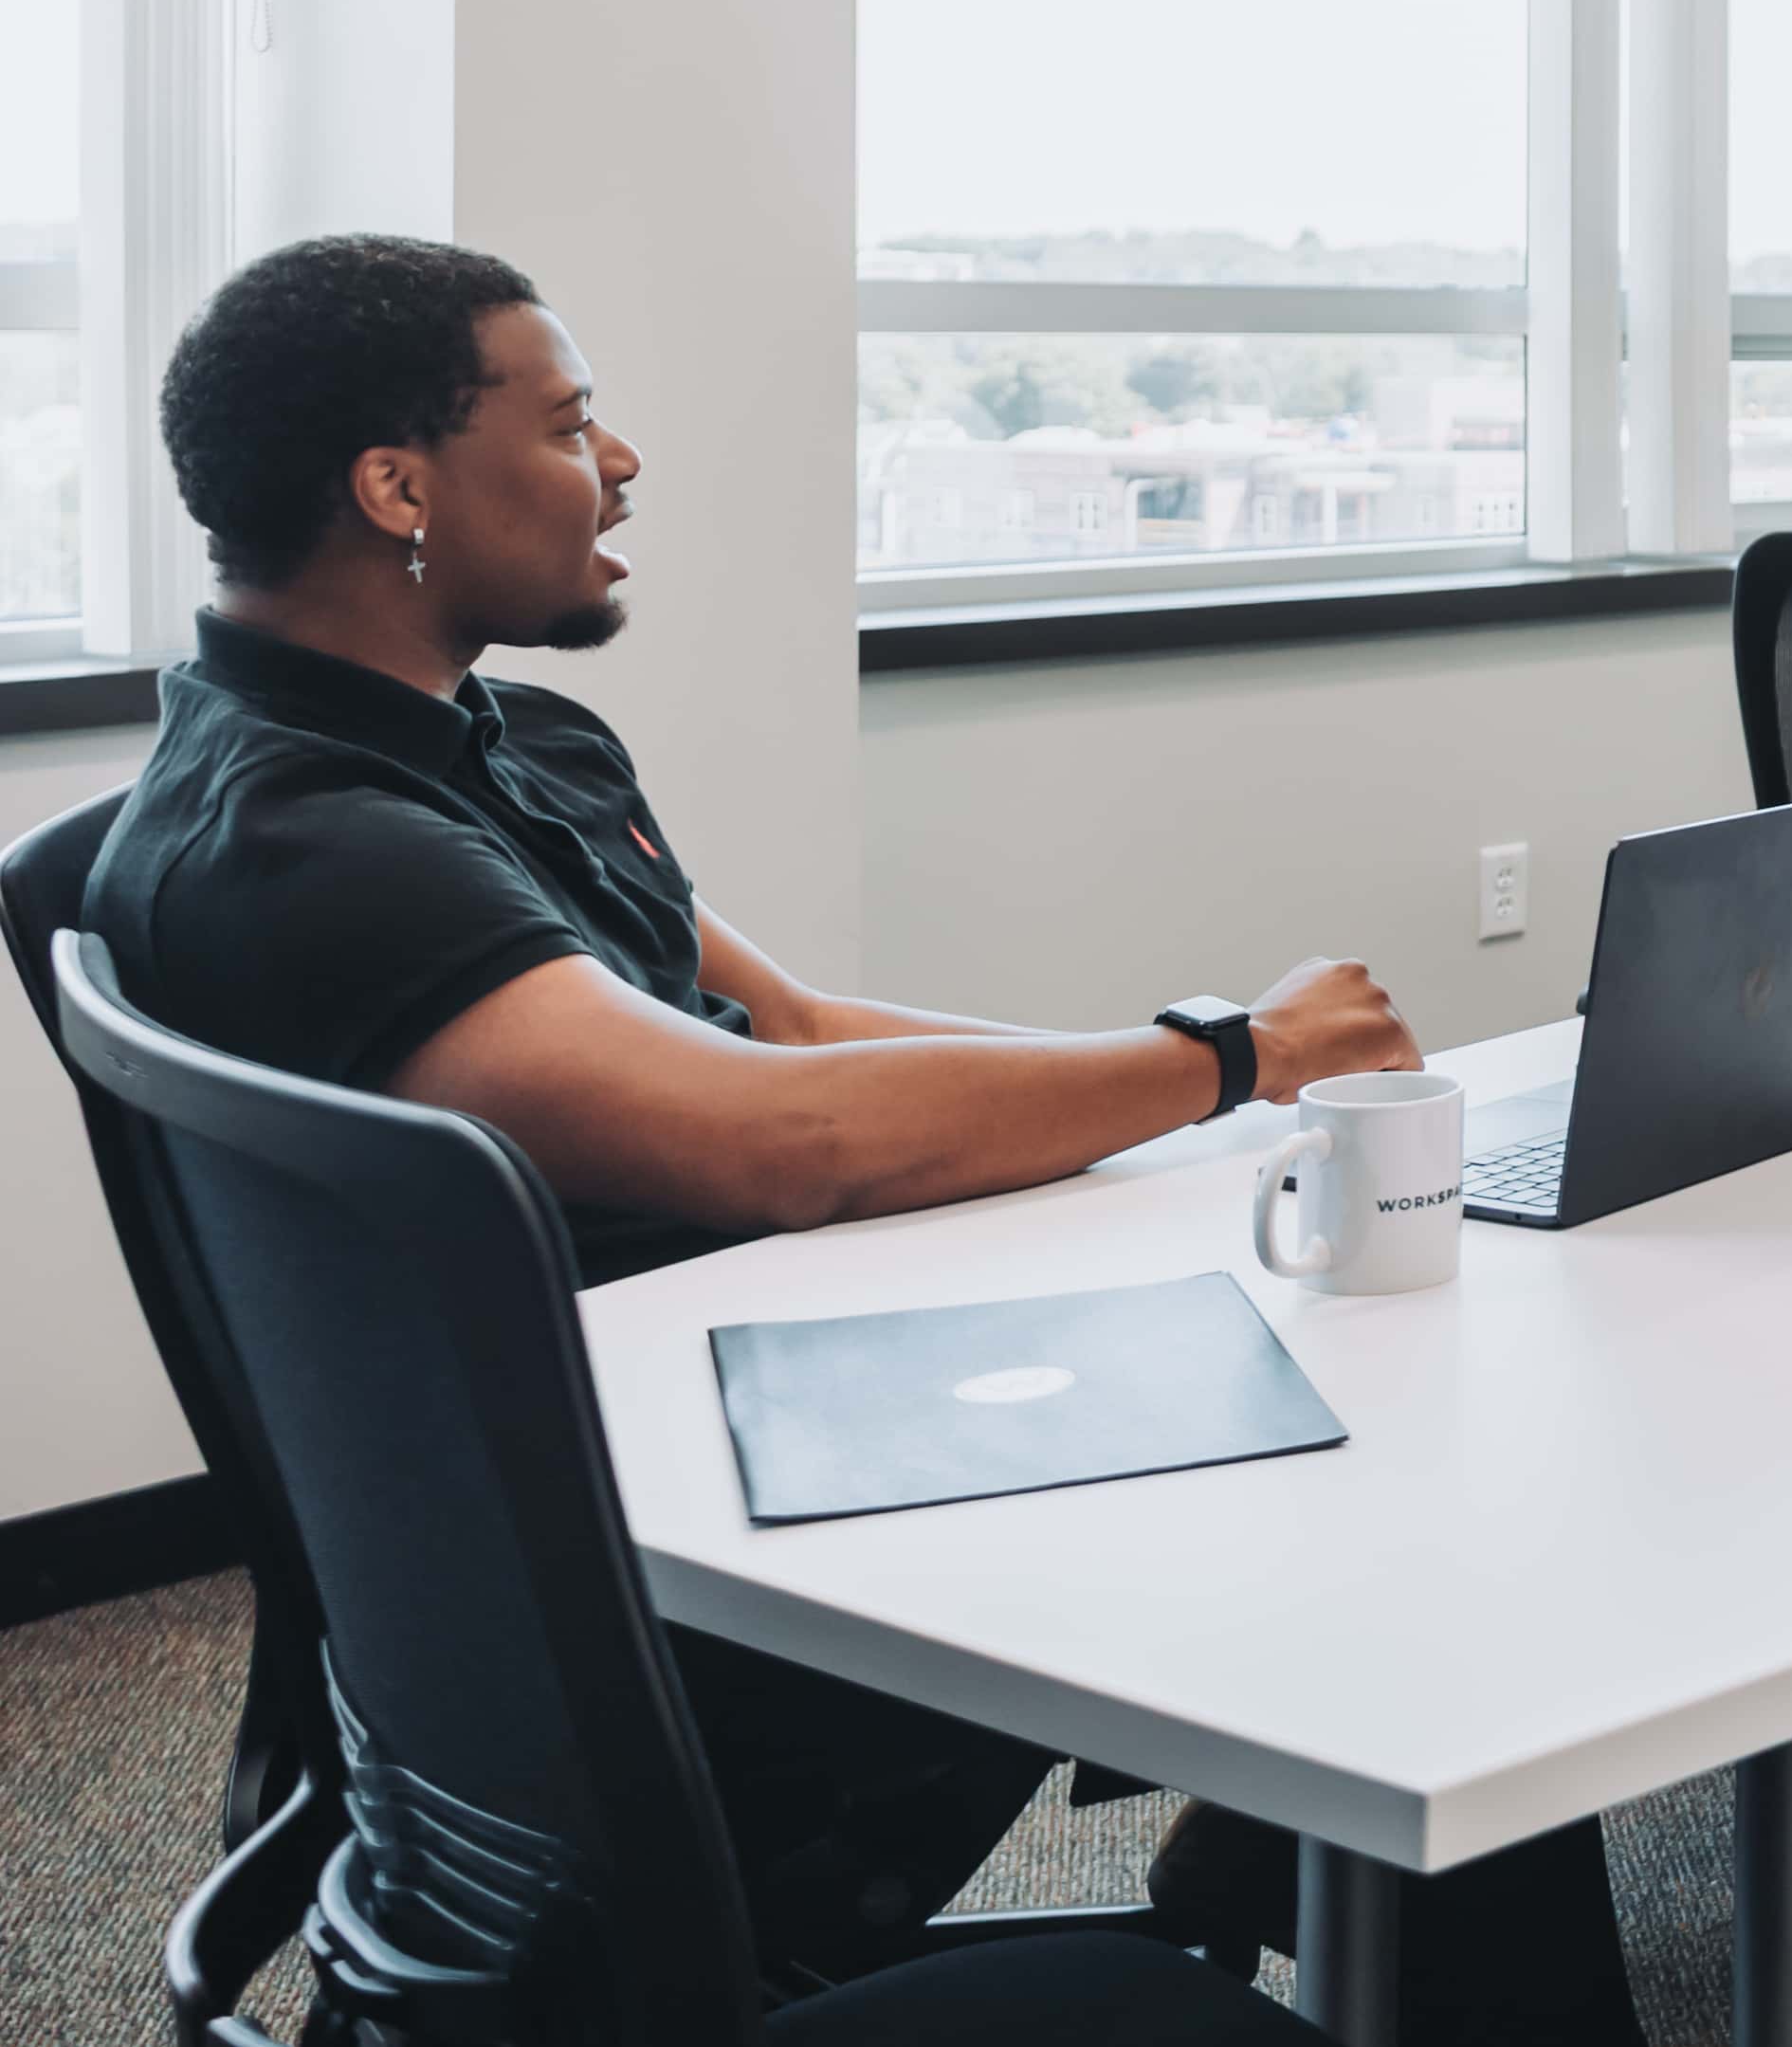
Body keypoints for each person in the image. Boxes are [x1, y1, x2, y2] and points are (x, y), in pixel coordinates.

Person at [80, 235, 1635, 2040]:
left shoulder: (508, 745)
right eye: (574, 420)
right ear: (396, 484)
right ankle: (1349, 1854)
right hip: (698, 1599)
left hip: (731, 1444)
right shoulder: (306, 846)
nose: (625, 460)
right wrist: (1215, 1055)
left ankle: (1319, 1848)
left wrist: (1192, 1080)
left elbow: (795, 1023)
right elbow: (773, 1132)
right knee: (1394, 1517)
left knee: (1355, 1440)